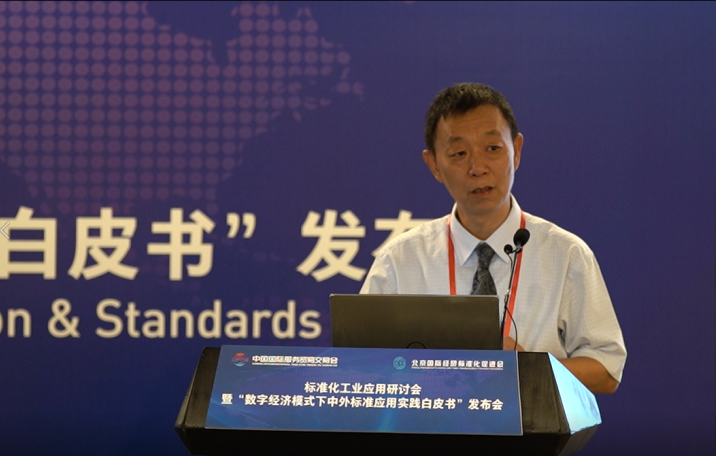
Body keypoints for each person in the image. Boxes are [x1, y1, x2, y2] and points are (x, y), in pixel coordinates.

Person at [360, 83, 626, 394]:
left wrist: (529, 369)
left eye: (492, 149)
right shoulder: (399, 260)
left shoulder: (566, 254)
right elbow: (359, 365)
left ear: (517, 151)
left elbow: (607, 370)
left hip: (531, 426)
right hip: (432, 422)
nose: (478, 168)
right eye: (459, 153)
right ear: (434, 165)